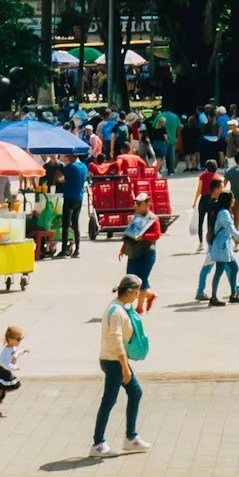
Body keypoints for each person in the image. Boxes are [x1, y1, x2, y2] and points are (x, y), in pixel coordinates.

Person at [92, 277, 151, 456]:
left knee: (135, 392)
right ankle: (98, 444)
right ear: (128, 292)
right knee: (109, 401)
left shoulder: (120, 306)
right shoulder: (117, 311)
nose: (138, 295)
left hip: (116, 360)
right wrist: (124, 366)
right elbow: (116, 340)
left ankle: (131, 438)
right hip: (113, 361)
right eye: (136, 291)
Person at [197, 201, 239, 304]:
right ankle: (213, 297)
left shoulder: (222, 210)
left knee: (234, 268)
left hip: (224, 247)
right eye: (232, 199)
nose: (233, 201)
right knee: (218, 271)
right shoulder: (223, 213)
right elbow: (231, 229)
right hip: (220, 247)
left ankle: (233, 293)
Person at [120, 206, 160, 306]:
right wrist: (123, 248)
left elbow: (157, 234)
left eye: (139, 203)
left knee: (142, 280)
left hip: (146, 253)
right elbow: (129, 235)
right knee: (130, 280)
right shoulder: (137, 218)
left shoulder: (152, 218)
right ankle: (150, 296)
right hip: (133, 253)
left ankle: (139, 308)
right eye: (136, 203)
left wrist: (144, 236)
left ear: (147, 203)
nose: (136, 206)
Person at [0, 324, 25, 417]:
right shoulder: (5, 352)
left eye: (21, 339)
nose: (20, 341)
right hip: (2, 372)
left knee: (15, 386)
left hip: (7, 372)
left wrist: (22, 351)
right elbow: (4, 363)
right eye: (18, 339)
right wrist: (14, 367)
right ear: (10, 340)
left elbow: (16, 352)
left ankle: (3, 392)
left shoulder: (13, 347)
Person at [59, 153, 88, 257]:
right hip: (79, 198)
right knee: (75, 224)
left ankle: (63, 250)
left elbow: (60, 175)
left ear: (72, 156)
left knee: (66, 224)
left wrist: (60, 162)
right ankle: (77, 249)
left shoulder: (71, 167)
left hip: (69, 197)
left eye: (68, 156)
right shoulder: (84, 167)